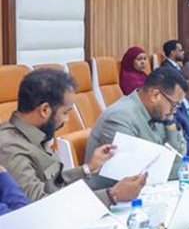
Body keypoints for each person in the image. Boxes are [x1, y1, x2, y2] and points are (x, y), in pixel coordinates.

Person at [0, 69, 146, 205]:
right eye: (65, 112)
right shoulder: (9, 147)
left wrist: (88, 168)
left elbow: (51, 185)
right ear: (44, 110)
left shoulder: (36, 136)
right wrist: (112, 195)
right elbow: (38, 206)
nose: (67, 119)